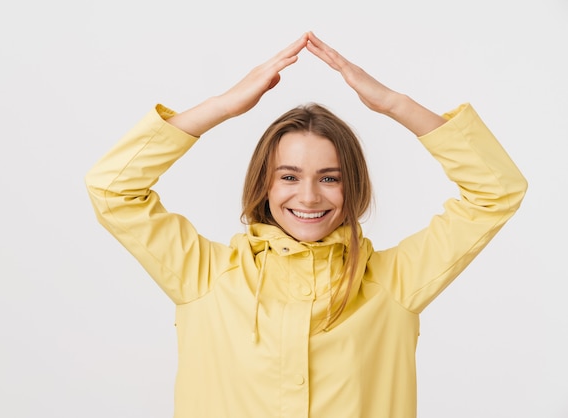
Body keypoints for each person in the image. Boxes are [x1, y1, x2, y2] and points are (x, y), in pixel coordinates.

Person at [85, 32, 527, 418]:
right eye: (289, 176)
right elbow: (111, 189)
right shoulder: (204, 275)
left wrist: (395, 104)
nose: (309, 196)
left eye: (329, 178)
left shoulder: (394, 282)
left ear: (352, 185)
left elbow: (496, 191)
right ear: (265, 183)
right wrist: (221, 107)